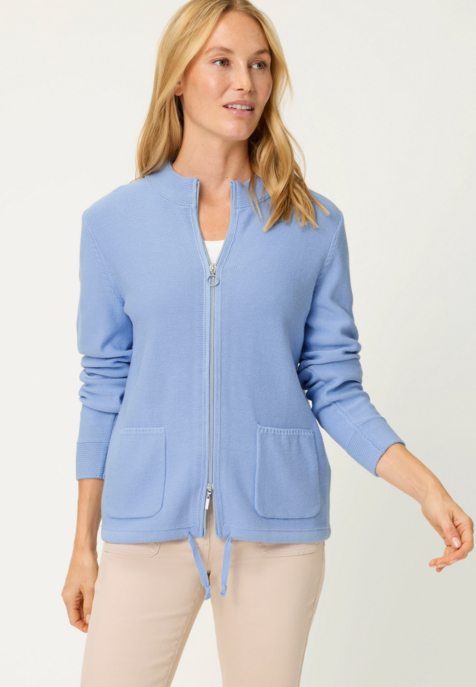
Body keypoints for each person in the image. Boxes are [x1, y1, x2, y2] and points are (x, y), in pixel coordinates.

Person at [61, 1, 474, 686]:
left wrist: (426, 487)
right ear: (179, 77)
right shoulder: (113, 224)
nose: (244, 82)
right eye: (221, 62)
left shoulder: (313, 224)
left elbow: (334, 387)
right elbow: (104, 385)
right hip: (146, 523)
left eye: (259, 65)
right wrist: (83, 544)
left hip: (277, 531)